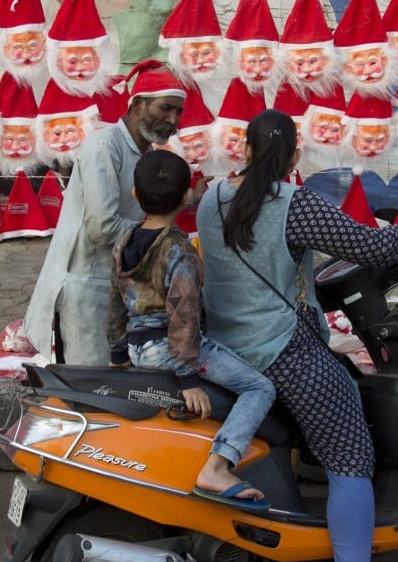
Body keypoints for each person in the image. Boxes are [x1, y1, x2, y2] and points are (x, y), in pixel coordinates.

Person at [195, 108, 398, 562]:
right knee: (352, 454)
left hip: (222, 345)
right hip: (280, 351)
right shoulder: (296, 204)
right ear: (294, 156)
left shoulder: (211, 200)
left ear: (244, 150)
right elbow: (370, 247)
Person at [106, 151, 276, 510]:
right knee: (259, 387)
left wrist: (119, 353)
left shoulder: (124, 242)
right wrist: (187, 378)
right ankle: (218, 466)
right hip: (171, 348)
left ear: (135, 194)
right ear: (186, 198)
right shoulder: (178, 250)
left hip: (138, 346)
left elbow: (115, 301)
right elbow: (183, 315)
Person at [24, 60, 204, 365]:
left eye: (178, 112)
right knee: (91, 380)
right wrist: (161, 242)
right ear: (137, 107)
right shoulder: (104, 147)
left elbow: (150, 206)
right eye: (165, 109)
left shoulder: (144, 151)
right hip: (86, 285)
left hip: (113, 284)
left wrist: (186, 199)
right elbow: (104, 227)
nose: (173, 120)